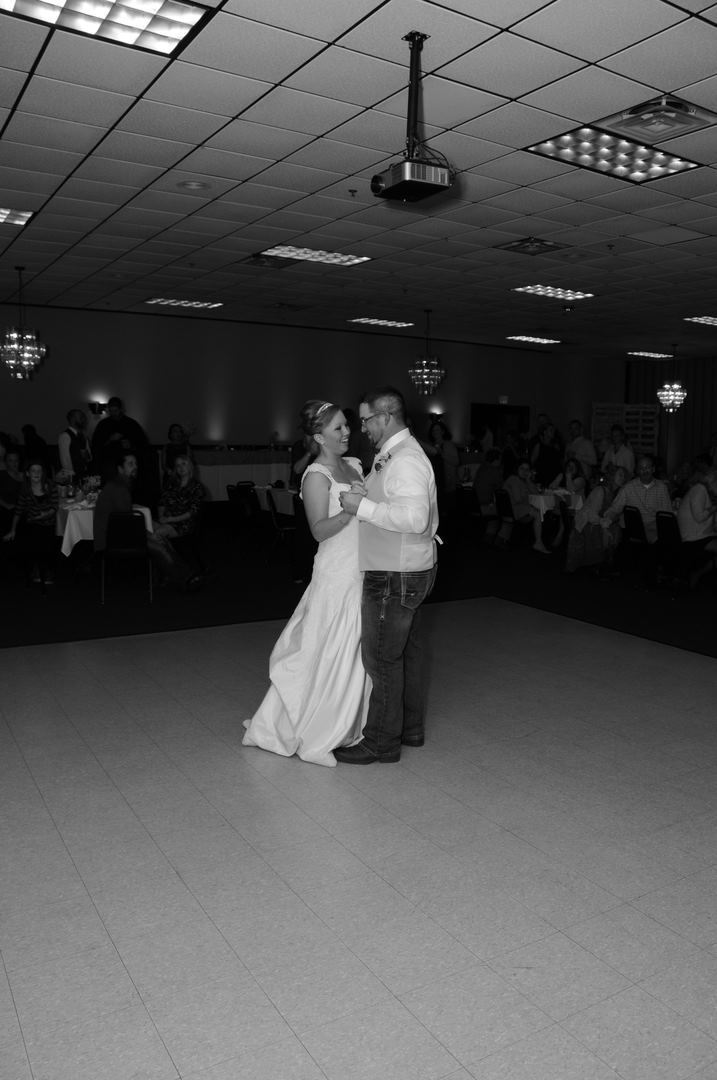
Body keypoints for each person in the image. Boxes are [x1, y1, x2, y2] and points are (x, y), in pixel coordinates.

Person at [243, 400, 369, 767]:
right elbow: (318, 531)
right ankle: (312, 731)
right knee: (325, 648)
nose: (347, 432)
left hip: (362, 567)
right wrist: (349, 510)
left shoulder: (356, 465)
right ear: (319, 437)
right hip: (336, 571)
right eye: (338, 428)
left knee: (354, 649)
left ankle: (345, 725)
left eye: (346, 425)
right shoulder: (316, 475)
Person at [335, 386, 439, 764]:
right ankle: (409, 730)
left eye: (366, 420)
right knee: (406, 655)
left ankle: (380, 742)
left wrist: (360, 507)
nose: (362, 428)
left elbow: (415, 518)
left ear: (385, 416)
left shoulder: (406, 458)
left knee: (381, 659)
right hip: (403, 568)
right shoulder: (394, 453)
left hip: (395, 574)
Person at [94, 452, 201, 590]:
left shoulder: (119, 484)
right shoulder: (119, 488)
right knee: (160, 546)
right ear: (120, 469)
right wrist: (150, 534)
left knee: (161, 541)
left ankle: (182, 575)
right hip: (113, 538)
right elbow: (126, 523)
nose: (135, 467)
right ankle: (184, 578)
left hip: (118, 533)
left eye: (135, 463)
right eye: (130, 464)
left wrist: (150, 533)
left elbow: (126, 520)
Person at [3, 460, 58, 585]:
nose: (36, 473)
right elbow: (18, 511)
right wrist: (12, 530)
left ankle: (47, 570)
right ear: (27, 473)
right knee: (33, 543)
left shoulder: (50, 485)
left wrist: (45, 515)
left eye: (39, 470)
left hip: (49, 522)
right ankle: (36, 569)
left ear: (43, 473)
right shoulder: (25, 490)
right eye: (33, 470)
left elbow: (55, 507)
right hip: (33, 522)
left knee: (48, 545)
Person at [565, 465, 625, 574]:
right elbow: (591, 514)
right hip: (588, 522)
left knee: (616, 529)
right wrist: (604, 526)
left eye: (624, 475)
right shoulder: (600, 491)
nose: (623, 478)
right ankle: (600, 565)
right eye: (620, 475)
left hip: (601, 521)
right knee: (608, 532)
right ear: (612, 476)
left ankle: (606, 564)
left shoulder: (618, 493)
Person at [497, 460, 549, 553]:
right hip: (514, 509)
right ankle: (538, 543)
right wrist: (530, 502)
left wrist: (528, 480)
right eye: (522, 468)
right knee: (537, 513)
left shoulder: (522, 480)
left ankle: (537, 541)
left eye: (527, 469)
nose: (524, 471)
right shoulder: (514, 479)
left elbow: (536, 493)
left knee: (537, 510)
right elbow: (518, 499)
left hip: (511, 509)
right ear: (517, 469)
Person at [677, 468, 717, 587]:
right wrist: (714, 508)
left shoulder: (706, 492)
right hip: (693, 537)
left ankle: (700, 573)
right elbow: (699, 517)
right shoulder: (699, 489)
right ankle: (698, 573)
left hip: (702, 534)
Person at [154, 454, 204, 542]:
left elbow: (192, 512)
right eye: (178, 465)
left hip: (184, 524)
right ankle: (166, 547)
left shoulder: (197, 487)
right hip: (167, 519)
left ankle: (167, 550)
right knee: (144, 526)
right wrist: (161, 517)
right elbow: (161, 502)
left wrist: (171, 519)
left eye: (183, 464)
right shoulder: (171, 484)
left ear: (190, 466)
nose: (181, 467)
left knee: (157, 534)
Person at [58, 409, 93, 482]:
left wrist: (86, 455)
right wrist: (71, 478)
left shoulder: (83, 435)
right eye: (81, 417)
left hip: (84, 473)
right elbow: (65, 460)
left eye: (83, 417)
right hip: (73, 476)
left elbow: (89, 458)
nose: (84, 419)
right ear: (73, 420)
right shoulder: (65, 436)